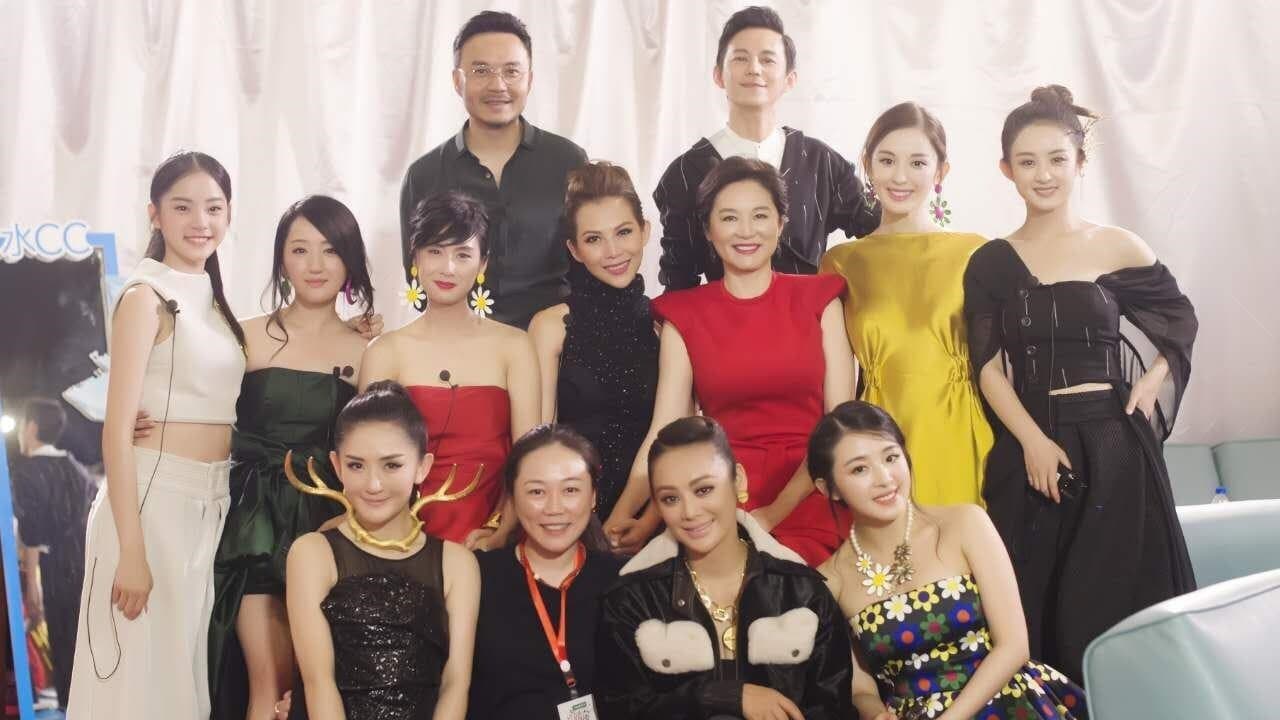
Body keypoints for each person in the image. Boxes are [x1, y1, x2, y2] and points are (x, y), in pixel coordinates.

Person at [964, 84, 1198, 682]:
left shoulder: (1116, 243)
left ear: (1080, 163)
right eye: (1027, 162)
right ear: (1006, 170)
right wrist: (1032, 442)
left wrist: (1153, 379)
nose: (1043, 174)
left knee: (1120, 594)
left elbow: (1179, 317)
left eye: (1057, 159)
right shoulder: (990, 261)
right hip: (1034, 447)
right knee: (1039, 605)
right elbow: (987, 367)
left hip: (1115, 446)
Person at [67, 151, 247, 719]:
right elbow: (116, 433)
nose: (200, 222)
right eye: (183, 207)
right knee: (137, 687)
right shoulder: (145, 296)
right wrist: (132, 551)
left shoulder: (213, 301)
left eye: (213, 208)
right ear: (155, 214)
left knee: (177, 684)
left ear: (229, 213)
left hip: (207, 503)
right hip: (150, 505)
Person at [606, 157, 854, 565]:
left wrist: (771, 515)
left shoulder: (820, 299)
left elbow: (839, 427)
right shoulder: (683, 314)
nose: (746, 231)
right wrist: (621, 517)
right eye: (729, 218)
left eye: (760, 215)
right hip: (720, 493)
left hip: (816, 486)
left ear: (781, 223)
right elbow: (664, 430)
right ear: (708, 230)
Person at [198, 196, 372, 720]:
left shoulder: (369, 350)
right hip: (255, 522)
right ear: (281, 260)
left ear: (350, 259)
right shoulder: (244, 335)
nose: (315, 264)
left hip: (328, 522)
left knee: (316, 689)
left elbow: (371, 448)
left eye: (330, 249)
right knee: (268, 685)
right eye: (300, 250)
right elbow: (205, 417)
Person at [813, 401, 1088, 719]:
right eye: (859, 469)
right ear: (829, 488)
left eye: (891, 457)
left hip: (1005, 703)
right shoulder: (830, 580)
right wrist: (875, 713)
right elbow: (861, 688)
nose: (885, 478)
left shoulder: (966, 524)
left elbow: (1014, 646)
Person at [595, 416, 852, 720]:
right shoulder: (631, 601)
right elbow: (621, 711)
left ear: (738, 481)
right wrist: (718, 696)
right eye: (670, 498)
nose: (689, 512)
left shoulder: (803, 593)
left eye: (703, 490)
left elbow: (834, 709)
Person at [821, 102, 993, 506]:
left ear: (941, 171)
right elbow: (839, 388)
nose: (900, 177)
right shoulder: (841, 262)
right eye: (887, 160)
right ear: (867, 165)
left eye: (917, 163)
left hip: (960, 433)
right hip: (878, 435)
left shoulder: (975, 253)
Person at [285, 380, 479, 719]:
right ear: (337, 466)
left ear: (422, 467)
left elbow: (456, 683)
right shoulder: (312, 553)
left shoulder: (457, 563)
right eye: (356, 465)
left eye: (391, 465)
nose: (373, 484)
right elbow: (319, 684)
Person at [654, 5, 878, 291]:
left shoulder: (821, 162)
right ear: (718, 75)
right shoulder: (685, 173)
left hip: (811, 318)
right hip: (723, 319)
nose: (754, 69)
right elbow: (678, 282)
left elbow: (879, 229)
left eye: (767, 59)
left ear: (790, 79)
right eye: (740, 58)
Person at [362, 191, 538, 549]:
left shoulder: (515, 346)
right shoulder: (385, 351)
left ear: (483, 264)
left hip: (495, 538)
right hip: (401, 539)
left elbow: (529, 460)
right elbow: (369, 460)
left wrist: (501, 531)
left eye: (463, 254)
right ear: (415, 257)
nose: (448, 268)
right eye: (435, 251)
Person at [399, 10, 587, 329]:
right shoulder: (424, 174)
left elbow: (590, 264)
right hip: (459, 345)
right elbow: (417, 283)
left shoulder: (568, 160)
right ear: (457, 80)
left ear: (529, 79)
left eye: (511, 71)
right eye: (481, 70)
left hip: (556, 341)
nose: (498, 85)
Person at [527, 161, 658, 520]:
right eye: (594, 239)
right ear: (574, 249)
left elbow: (675, 442)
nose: (612, 251)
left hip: (653, 512)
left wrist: (640, 520)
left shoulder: (665, 324)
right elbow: (538, 446)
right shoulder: (551, 326)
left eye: (623, 232)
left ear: (645, 231)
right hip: (568, 512)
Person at [468, 424, 624, 720]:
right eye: (537, 491)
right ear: (512, 498)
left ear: (593, 496)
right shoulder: (476, 577)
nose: (554, 508)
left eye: (570, 490)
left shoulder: (623, 580)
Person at [10, 398, 96, 711]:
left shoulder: (27, 472)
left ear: (32, 427)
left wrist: (32, 586)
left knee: (62, 643)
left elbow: (32, 534)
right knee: (85, 644)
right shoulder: (77, 469)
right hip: (88, 566)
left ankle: (70, 708)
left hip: (56, 569)